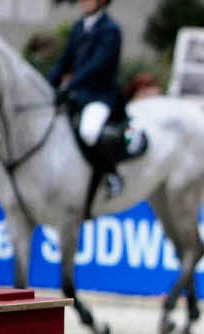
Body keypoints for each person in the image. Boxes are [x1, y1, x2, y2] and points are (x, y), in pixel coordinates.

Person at [47, 0, 145, 200]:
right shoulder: (79, 27)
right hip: (76, 96)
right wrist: (47, 85)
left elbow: (97, 66)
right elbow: (64, 61)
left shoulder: (110, 30)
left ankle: (110, 174)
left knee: (89, 131)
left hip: (99, 96)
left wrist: (70, 84)